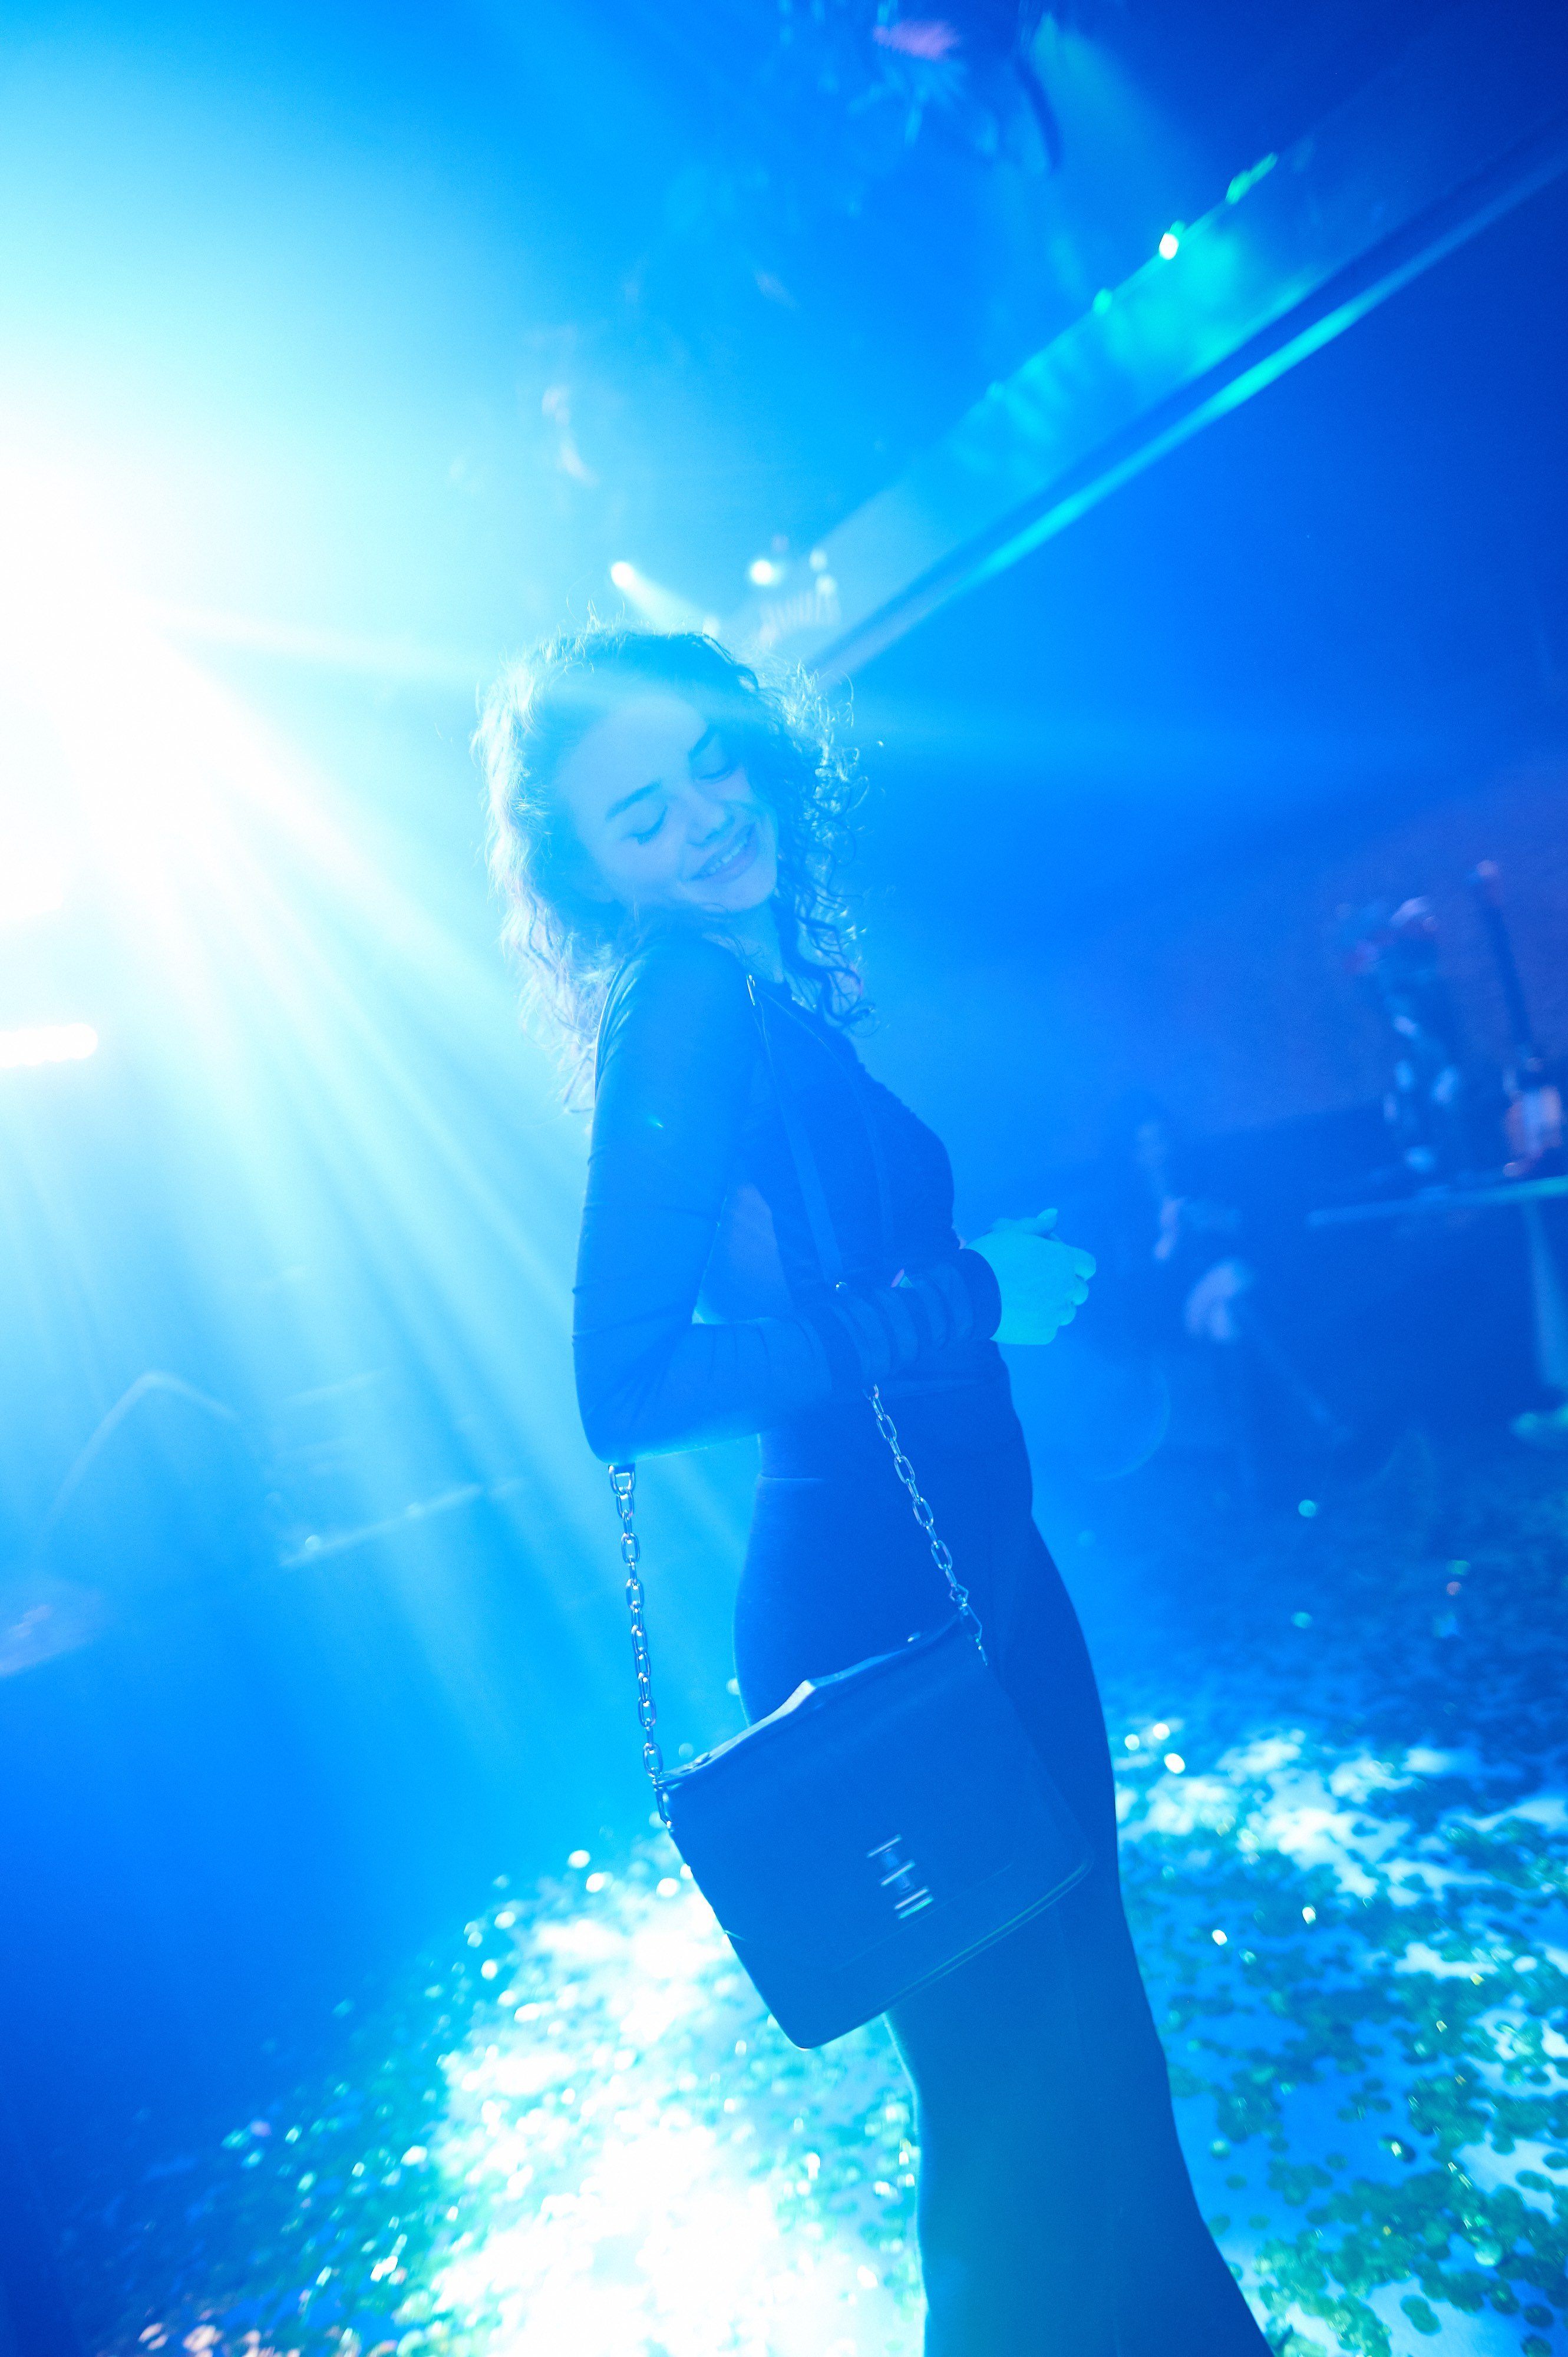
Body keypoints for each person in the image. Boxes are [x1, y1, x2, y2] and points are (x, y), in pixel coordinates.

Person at [477, 623, 1269, 2356]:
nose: (703, 814)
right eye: (639, 812)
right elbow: (625, 1388)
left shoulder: (752, 1002)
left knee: (1088, 2102)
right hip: (882, 1607)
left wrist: (953, 1294)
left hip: (967, 1578)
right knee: (1031, 2141)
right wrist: (970, 1294)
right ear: (591, 870)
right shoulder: (685, 1005)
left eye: (709, 761)